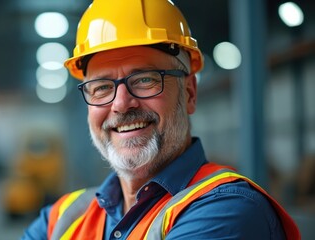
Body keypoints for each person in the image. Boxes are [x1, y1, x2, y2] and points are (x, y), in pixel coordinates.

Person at [22, 0, 300, 239]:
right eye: (102, 87)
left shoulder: (228, 210)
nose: (120, 104)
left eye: (145, 79)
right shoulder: (62, 217)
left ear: (189, 92)